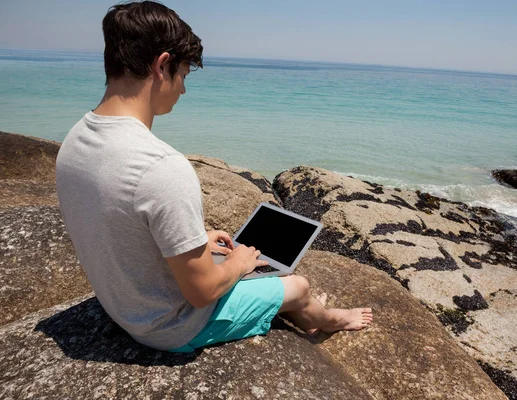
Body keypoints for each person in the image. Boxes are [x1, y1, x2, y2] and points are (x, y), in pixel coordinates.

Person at [55, 0, 372, 353]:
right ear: (162, 65)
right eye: (184, 76)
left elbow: (119, 221)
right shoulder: (160, 167)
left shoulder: (75, 141)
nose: (183, 90)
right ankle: (327, 321)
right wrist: (236, 264)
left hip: (124, 306)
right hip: (169, 326)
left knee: (247, 268)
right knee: (298, 285)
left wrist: (192, 240)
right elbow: (202, 292)